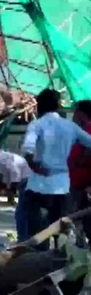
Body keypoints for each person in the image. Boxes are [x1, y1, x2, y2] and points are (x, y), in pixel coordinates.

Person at [22, 89, 91, 251]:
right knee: (60, 231)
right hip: (62, 185)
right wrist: (78, 162)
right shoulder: (70, 127)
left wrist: (36, 168)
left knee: (37, 230)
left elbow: (28, 151)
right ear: (58, 106)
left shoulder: (36, 124)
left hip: (39, 185)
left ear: (40, 106)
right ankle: (60, 262)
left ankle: (40, 263)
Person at [0, 142, 31, 242]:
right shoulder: (1, 159)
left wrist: (12, 187)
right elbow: (6, 176)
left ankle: (23, 238)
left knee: (22, 211)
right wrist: (7, 187)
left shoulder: (3, 158)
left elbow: (14, 172)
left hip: (25, 178)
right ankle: (24, 236)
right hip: (22, 178)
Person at [68, 100, 91, 247]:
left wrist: (77, 162)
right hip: (78, 183)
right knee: (81, 221)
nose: (74, 115)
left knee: (85, 221)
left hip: (84, 184)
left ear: (82, 113)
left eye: (75, 111)